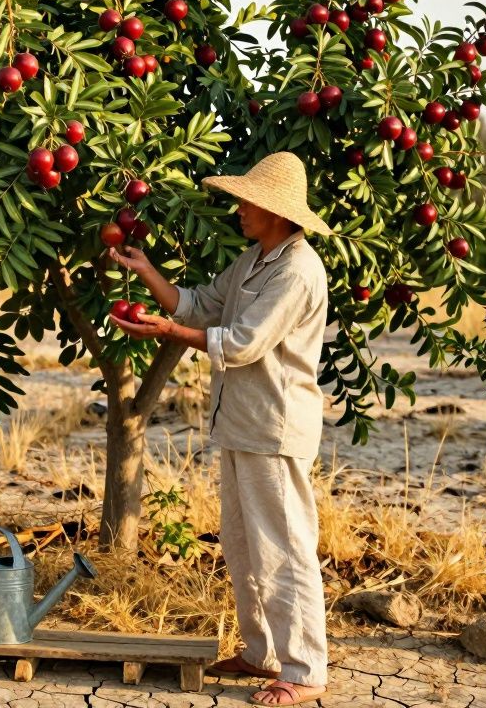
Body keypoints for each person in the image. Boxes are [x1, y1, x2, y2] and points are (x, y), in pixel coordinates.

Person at [107, 151, 330, 706]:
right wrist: (147, 275)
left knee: (283, 548)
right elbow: (200, 305)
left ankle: (303, 670)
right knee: (243, 546)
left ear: (276, 212)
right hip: (239, 424)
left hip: (275, 429)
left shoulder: (298, 271)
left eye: (247, 203)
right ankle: (262, 653)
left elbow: (243, 342)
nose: (238, 212)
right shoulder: (255, 259)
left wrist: (165, 333)